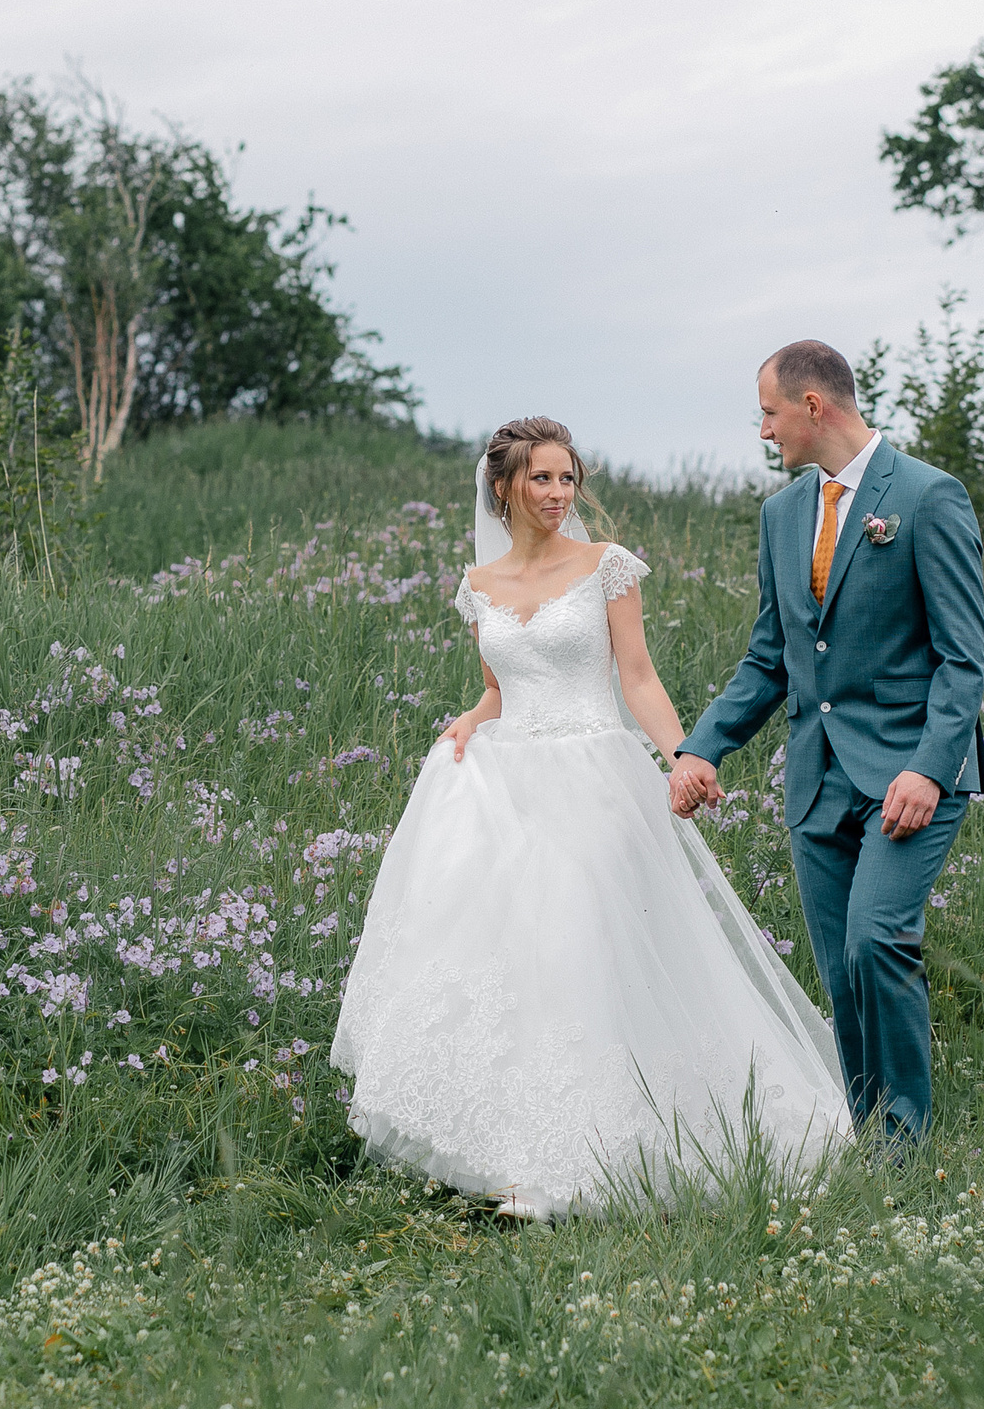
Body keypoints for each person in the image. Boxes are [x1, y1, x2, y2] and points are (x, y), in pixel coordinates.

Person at [329, 416, 850, 1219]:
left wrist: (686, 755)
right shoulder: (480, 583)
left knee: (576, 939)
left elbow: (636, 677)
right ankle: (514, 1153)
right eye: (540, 478)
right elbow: (503, 683)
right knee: (510, 961)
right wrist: (472, 716)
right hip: (502, 783)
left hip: (593, 775)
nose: (557, 493)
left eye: (567, 478)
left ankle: (582, 1158)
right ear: (503, 486)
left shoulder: (607, 567)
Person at [670, 341, 984, 1149]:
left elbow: (963, 657)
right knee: (841, 973)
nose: (765, 431)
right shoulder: (782, 516)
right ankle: (866, 1130)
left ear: (815, 407)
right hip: (816, 778)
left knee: (875, 940)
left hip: (909, 775)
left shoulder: (926, 497)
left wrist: (928, 766)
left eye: (771, 414)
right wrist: (702, 747)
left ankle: (905, 1140)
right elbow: (772, 656)